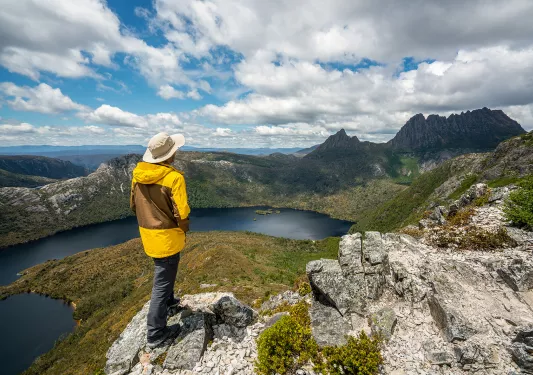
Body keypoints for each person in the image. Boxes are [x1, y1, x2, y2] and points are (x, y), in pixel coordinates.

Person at [130, 132, 190, 348]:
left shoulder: (138, 174)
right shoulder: (174, 178)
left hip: (148, 234)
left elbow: (134, 205)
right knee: (162, 282)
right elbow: (182, 212)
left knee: (167, 271)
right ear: (169, 155)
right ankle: (156, 333)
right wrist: (184, 228)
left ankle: (170, 303)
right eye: (174, 150)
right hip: (168, 236)